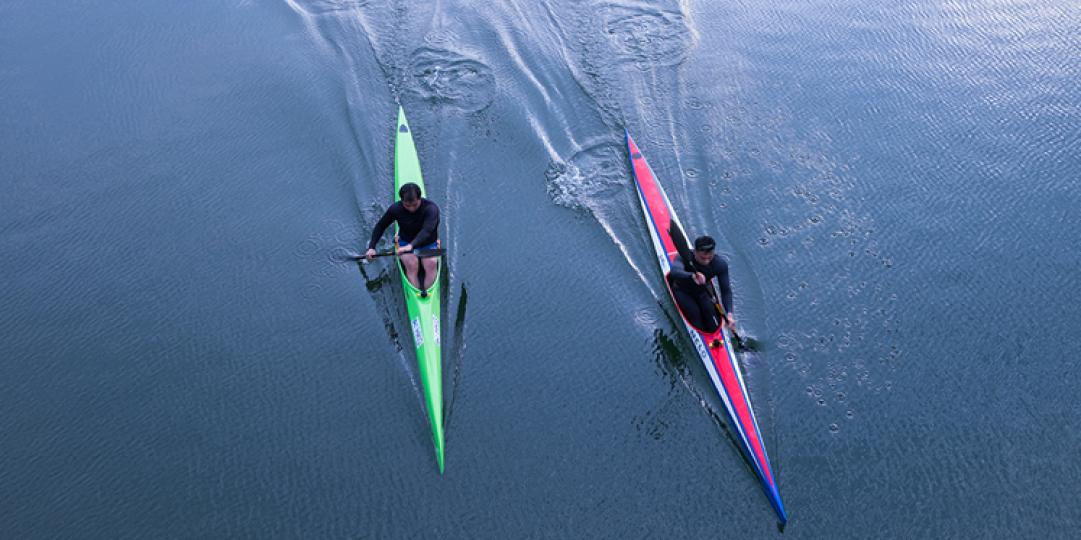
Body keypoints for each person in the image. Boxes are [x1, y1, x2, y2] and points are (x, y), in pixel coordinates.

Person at [365, 182, 440, 291]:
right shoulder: (395, 209)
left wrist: (411, 246)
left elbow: (427, 231)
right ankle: (416, 293)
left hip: (428, 243)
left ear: (420, 198)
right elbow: (381, 226)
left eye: (414, 205)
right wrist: (371, 247)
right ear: (401, 201)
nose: (411, 209)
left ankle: (427, 293)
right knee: (412, 265)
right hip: (405, 241)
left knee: (431, 265)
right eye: (407, 205)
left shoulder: (431, 209)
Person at [668, 235, 734, 333]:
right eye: (703, 258)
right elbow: (675, 271)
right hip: (683, 291)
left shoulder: (720, 265)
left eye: (710, 257)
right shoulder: (684, 257)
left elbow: (725, 290)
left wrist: (729, 314)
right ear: (695, 252)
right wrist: (692, 276)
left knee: (713, 323)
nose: (706, 261)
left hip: (703, 292)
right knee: (695, 315)